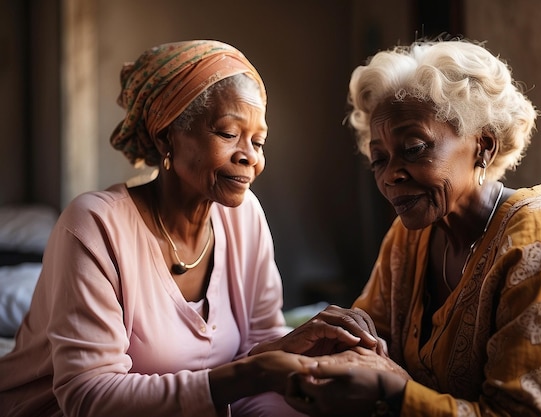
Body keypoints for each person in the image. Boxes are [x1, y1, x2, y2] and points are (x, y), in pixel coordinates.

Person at [0, 40, 379, 417]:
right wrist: (249, 374)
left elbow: (259, 345)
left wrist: (293, 354)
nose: (250, 156)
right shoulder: (94, 226)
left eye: (259, 141)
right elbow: (89, 398)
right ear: (166, 137)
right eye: (229, 134)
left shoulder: (244, 216)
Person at [284, 38, 541, 416]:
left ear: (484, 146)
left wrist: (394, 391)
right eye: (379, 159)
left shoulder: (538, 242)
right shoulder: (408, 237)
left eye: (414, 148)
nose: (391, 176)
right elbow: (371, 338)